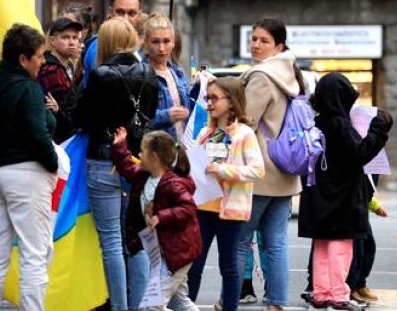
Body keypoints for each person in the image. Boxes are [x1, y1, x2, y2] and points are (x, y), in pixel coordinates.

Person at [0, 24, 59, 311]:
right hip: (27, 174)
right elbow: (39, 133)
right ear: (24, 59)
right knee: (34, 252)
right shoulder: (28, 88)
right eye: (39, 55)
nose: (43, 61)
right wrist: (53, 163)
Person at [75, 17, 159, 311]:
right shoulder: (149, 72)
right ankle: (138, 306)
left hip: (102, 159)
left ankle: (120, 307)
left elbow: (81, 118)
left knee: (111, 240)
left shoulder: (99, 75)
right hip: (136, 162)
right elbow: (151, 114)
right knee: (134, 238)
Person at [299, 73, 392, 311]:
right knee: (341, 247)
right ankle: (340, 295)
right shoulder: (340, 123)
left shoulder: (315, 123)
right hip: (342, 198)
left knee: (321, 244)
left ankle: (320, 293)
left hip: (317, 195)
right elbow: (361, 153)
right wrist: (378, 130)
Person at [238, 18, 303, 311]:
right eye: (253, 39)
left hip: (259, 168)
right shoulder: (290, 73)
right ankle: (276, 301)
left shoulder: (262, 76)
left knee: (240, 240)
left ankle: (230, 297)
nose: (255, 44)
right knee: (276, 241)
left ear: (279, 45)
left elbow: (247, 121)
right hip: (284, 169)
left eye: (263, 40)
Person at [187, 77, 265, 311]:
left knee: (229, 265)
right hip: (202, 206)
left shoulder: (244, 134)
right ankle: (186, 305)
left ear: (232, 102)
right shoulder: (205, 131)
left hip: (230, 210)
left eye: (215, 98)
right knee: (194, 265)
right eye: (207, 98)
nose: (209, 103)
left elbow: (257, 170)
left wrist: (223, 170)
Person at [111, 127, 201, 311]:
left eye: (142, 151)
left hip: (178, 252)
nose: (139, 154)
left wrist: (162, 216)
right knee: (179, 302)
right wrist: (120, 147)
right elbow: (128, 167)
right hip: (165, 251)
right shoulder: (145, 177)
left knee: (153, 305)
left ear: (154, 157)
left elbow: (188, 208)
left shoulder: (172, 184)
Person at [80, 0, 143, 88]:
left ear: (139, 15)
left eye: (131, 13)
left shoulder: (140, 47)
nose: (125, 18)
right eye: (120, 12)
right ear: (110, 12)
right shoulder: (99, 46)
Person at [143, 14, 194, 139]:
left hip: (182, 147)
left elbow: (189, 110)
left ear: (173, 43)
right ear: (146, 43)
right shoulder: (141, 74)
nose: (161, 48)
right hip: (157, 149)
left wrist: (199, 86)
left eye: (166, 41)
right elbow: (137, 119)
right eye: (155, 42)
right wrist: (167, 116)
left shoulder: (177, 72)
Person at [39, 17, 84, 141]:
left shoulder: (67, 67)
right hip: (58, 140)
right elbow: (60, 115)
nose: (71, 42)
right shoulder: (51, 71)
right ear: (52, 41)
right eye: (65, 37)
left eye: (75, 38)